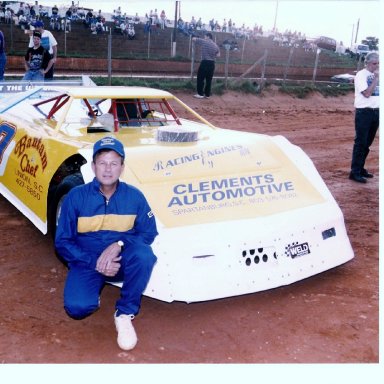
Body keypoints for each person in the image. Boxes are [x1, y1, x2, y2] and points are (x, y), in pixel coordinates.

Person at [55, 136, 158, 351]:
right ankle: (93, 291)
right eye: (102, 163)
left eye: (114, 163)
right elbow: (62, 242)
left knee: (144, 255)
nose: (108, 169)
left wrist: (119, 244)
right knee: (77, 308)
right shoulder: (75, 197)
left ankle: (124, 313)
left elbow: (148, 232)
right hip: (86, 261)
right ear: (93, 166)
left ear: (122, 167)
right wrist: (95, 262)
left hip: (120, 259)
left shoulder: (135, 197)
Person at [349, 51, 380, 183]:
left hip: (376, 112)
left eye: (378, 63)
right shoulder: (361, 75)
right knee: (360, 142)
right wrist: (376, 79)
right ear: (367, 62)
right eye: (374, 63)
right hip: (364, 112)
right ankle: (354, 172)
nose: (376, 66)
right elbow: (367, 93)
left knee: (367, 143)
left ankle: (360, 168)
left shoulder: (377, 74)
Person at [192, 32, 220, 99]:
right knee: (209, 80)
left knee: (200, 78)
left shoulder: (204, 42)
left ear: (208, 36)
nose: (204, 37)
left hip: (205, 62)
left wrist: (194, 36)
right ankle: (207, 94)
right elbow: (218, 55)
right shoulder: (215, 45)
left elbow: (194, 39)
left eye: (205, 36)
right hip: (212, 63)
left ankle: (200, 94)